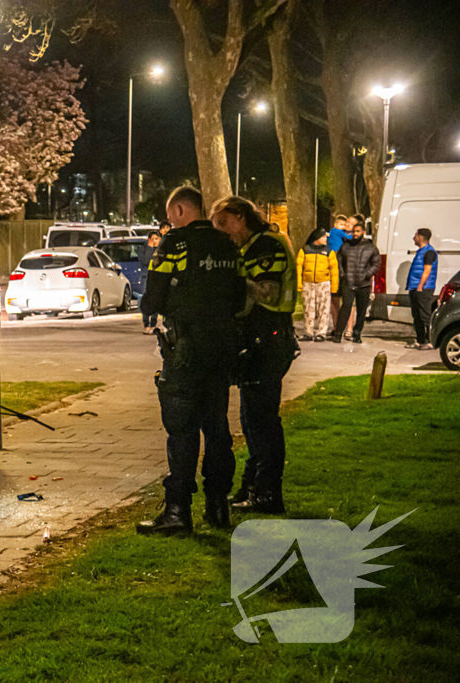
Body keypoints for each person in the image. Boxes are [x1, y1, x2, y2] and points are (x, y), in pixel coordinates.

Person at [137, 187, 245, 535]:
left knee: (181, 428)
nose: (169, 223)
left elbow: (153, 294)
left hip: (186, 347)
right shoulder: (228, 243)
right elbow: (240, 294)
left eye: (171, 216)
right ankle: (218, 506)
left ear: (182, 210)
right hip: (222, 346)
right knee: (216, 428)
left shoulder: (176, 243)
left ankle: (178, 511)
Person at [212, 196, 298, 516]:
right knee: (252, 421)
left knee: (262, 422)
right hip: (259, 341)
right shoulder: (252, 246)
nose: (221, 232)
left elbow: (268, 292)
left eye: (223, 224)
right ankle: (252, 486)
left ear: (240, 216)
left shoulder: (267, 246)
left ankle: (268, 492)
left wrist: (231, 282)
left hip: (269, 340)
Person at [333, 220, 380, 344]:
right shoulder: (346, 246)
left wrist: (367, 274)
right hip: (348, 282)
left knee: (361, 310)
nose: (354, 234)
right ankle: (338, 333)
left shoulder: (371, 247)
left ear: (363, 232)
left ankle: (357, 333)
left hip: (363, 284)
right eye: (354, 231)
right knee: (346, 307)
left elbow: (376, 264)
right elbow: (339, 259)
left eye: (357, 231)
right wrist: (343, 274)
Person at [295, 228, 339, 342]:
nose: (326, 239)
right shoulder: (305, 250)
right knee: (308, 308)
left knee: (324, 309)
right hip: (308, 283)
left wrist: (334, 287)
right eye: (323, 237)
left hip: (323, 283)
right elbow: (298, 267)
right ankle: (308, 332)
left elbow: (334, 270)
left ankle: (321, 333)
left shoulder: (329, 251)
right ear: (317, 238)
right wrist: (299, 284)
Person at [406, 228, 438, 350]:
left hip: (424, 288)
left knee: (425, 315)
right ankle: (420, 340)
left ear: (420, 237)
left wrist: (420, 286)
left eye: (415, 236)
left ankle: (431, 341)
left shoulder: (429, 252)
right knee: (417, 315)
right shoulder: (420, 252)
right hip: (414, 287)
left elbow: (427, 270)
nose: (414, 238)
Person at [327, 214, 351, 335]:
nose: (343, 227)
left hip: (335, 262)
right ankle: (345, 328)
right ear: (336, 225)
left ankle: (336, 327)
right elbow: (349, 237)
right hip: (338, 263)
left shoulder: (331, 232)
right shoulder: (339, 233)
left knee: (335, 299)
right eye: (342, 225)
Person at [138, 231, 161, 333]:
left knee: (155, 299)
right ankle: (146, 323)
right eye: (153, 239)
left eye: (157, 239)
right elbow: (145, 260)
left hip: (157, 277)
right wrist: (150, 248)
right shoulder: (143, 248)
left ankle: (153, 324)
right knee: (146, 299)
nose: (155, 241)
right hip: (146, 277)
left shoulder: (161, 249)